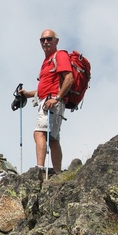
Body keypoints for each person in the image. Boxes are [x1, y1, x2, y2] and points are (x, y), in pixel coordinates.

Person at [20, 29, 73, 174]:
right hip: (49, 100)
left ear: (56, 41)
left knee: (39, 133)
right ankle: (57, 171)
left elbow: (69, 78)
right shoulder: (47, 61)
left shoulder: (59, 55)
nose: (45, 42)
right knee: (53, 138)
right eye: (42, 40)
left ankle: (39, 169)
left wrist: (57, 98)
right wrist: (27, 94)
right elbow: (44, 89)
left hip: (52, 101)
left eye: (49, 39)